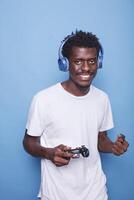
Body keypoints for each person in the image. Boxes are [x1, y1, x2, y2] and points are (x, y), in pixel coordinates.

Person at [23, 30, 129, 200]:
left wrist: (113, 147)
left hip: (96, 193)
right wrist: (49, 153)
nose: (86, 68)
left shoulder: (102, 98)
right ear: (65, 64)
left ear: (99, 63)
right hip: (56, 194)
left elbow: (101, 140)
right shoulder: (43, 99)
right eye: (78, 61)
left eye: (92, 61)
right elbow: (28, 142)